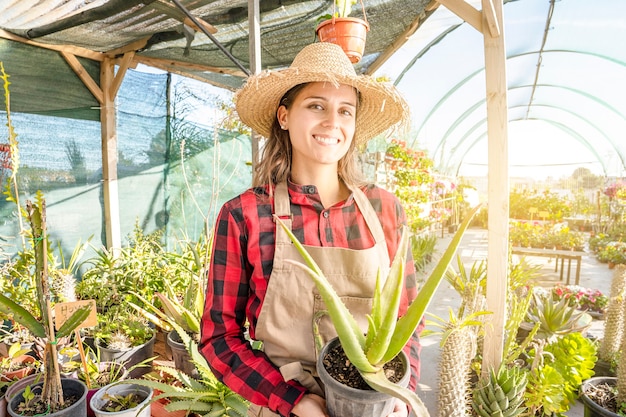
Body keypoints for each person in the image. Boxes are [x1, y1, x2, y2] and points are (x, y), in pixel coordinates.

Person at [199, 42, 421, 417]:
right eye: (316, 105)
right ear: (284, 117)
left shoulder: (385, 208)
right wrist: (293, 401)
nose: (332, 121)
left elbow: (407, 318)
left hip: (375, 405)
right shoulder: (246, 215)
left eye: (345, 111)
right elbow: (219, 339)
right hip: (287, 406)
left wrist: (403, 389)